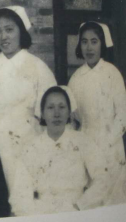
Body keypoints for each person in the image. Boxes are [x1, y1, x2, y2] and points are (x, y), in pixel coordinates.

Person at [0, 6, 56, 187]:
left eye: (9, 30)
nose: (4, 37)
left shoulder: (38, 67)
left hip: (26, 142)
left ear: (21, 32)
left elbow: (49, 112)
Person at [10, 86, 109, 215]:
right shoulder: (31, 148)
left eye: (62, 107)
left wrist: (80, 206)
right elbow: (19, 195)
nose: (56, 114)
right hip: (42, 213)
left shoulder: (83, 142)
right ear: (43, 114)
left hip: (77, 211)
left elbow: (103, 178)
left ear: (69, 112)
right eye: (50, 108)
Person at [68, 21, 126, 205]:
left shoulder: (112, 73)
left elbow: (123, 115)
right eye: (84, 42)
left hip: (110, 145)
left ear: (102, 43)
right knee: (89, 199)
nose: (89, 47)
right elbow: (73, 120)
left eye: (94, 41)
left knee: (112, 199)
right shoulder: (76, 78)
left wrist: (107, 142)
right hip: (86, 145)